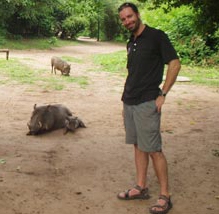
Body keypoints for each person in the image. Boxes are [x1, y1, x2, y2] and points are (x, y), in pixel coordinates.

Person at [117, 2, 181, 214]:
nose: (127, 21)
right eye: (124, 19)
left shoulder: (156, 36)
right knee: (138, 145)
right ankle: (141, 186)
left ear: (137, 14)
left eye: (129, 16)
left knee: (154, 150)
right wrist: (126, 100)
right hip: (130, 101)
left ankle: (165, 196)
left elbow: (174, 63)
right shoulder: (131, 41)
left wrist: (163, 93)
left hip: (147, 102)